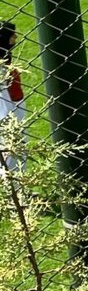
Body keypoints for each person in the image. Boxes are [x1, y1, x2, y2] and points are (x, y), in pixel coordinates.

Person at [0, 21, 24, 176]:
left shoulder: (5, 60)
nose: (15, 37)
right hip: (9, 113)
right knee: (12, 151)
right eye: (11, 35)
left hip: (15, 107)